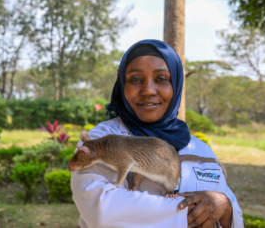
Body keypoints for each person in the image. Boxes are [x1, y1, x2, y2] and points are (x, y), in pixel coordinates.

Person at [70, 39, 243, 228]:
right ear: (122, 85)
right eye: (135, 80)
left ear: (176, 85)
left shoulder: (201, 150)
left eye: (161, 79)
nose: (148, 91)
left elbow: (232, 214)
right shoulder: (100, 141)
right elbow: (102, 211)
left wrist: (225, 207)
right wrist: (193, 212)